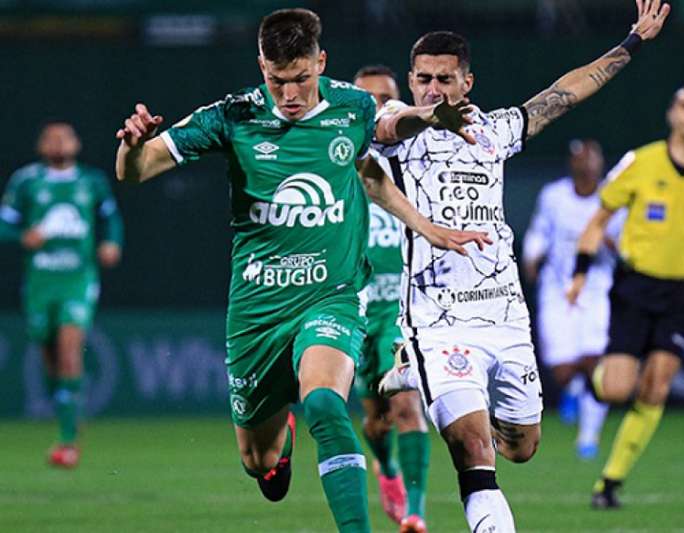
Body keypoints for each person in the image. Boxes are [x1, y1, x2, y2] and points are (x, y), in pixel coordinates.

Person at [114, 9, 486, 533]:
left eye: (301, 79)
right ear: (261, 66)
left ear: (321, 62)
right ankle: (277, 444)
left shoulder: (351, 107)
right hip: (256, 309)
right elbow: (136, 171)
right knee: (257, 462)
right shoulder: (234, 115)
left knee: (327, 406)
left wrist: (428, 129)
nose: (289, 94)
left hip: (329, 297)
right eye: (277, 80)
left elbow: (381, 140)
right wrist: (131, 148)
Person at [373, 1, 670, 530]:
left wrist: (632, 43)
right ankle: (425, 367)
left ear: (468, 80)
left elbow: (567, 91)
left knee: (521, 446)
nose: (433, 88)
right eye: (423, 78)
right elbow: (392, 126)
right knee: (472, 447)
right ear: (411, 80)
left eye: (445, 79)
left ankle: (416, 374)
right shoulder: (395, 131)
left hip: (505, 315)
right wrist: (422, 115)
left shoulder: (496, 131)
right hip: (439, 320)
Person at [567, 85, 684, 508]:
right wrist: (579, 273)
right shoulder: (641, 162)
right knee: (616, 389)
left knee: (655, 388)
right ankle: (592, 385)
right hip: (635, 287)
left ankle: (609, 483)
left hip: (682, 293)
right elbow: (598, 221)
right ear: (671, 114)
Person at [0, 121, 124, 468]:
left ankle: (68, 442)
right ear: (41, 145)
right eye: (52, 138)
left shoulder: (91, 182)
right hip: (40, 281)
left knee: (70, 352)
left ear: (76, 142)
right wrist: (23, 234)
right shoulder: (26, 181)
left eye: (65, 137)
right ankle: (69, 409)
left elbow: (111, 219)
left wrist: (112, 243)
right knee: (50, 357)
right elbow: (4, 223)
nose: (59, 143)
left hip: (77, 278)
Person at [353, 65, 430, 533]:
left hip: (401, 312)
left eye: (387, 97)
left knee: (406, 406)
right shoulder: (339, 162)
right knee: (376, 422)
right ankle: (387, 468)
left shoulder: (417, 163)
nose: (379, 106)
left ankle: (416, 512)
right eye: (369, 99)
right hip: (353, 310)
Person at [522, 139, 622, 460]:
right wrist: (532, 257)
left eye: (591, 158)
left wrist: (608, 241)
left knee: (595, 362)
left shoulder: (613, 198)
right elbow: (539, 232)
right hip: (558, 288)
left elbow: (626, 245)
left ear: (600, 163)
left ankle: (588, 437)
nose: (586, 164)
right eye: (580, 158)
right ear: (571, 163)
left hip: (596, 290)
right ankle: (574, 392)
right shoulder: (554, 196)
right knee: (564, 369)